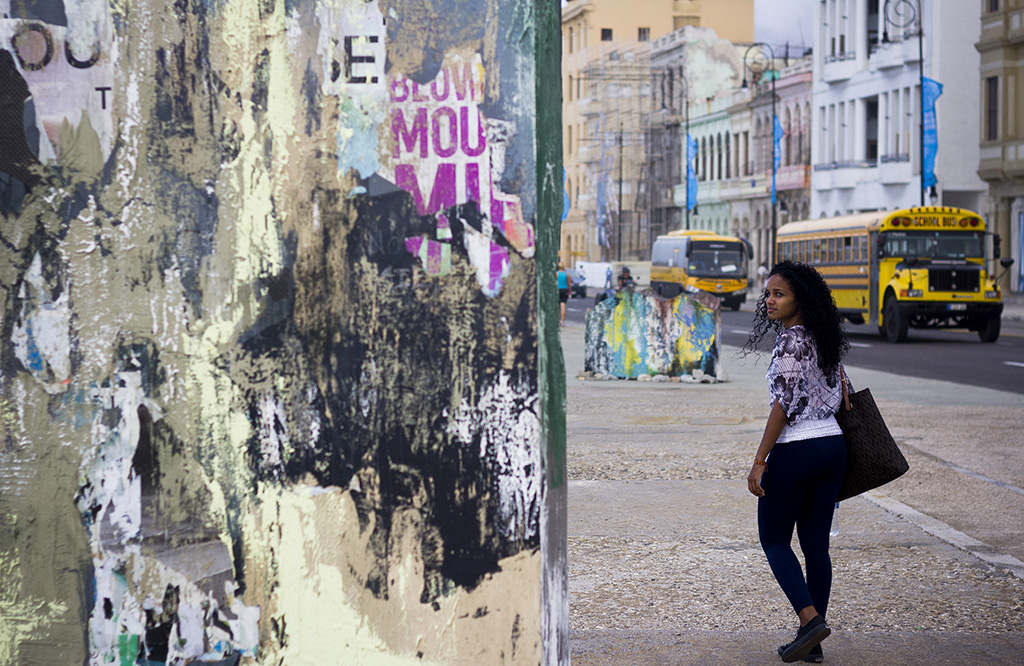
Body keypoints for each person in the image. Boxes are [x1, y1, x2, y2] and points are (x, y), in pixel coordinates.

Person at [741, 260, 851, 664]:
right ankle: (813, 644)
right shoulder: (825, 339)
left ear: (798, 300)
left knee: (773, 539)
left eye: (778, 294)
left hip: (798, 449)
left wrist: (759, 459)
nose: (768, 300)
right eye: (768, 293)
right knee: (816, 547)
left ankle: (809, 621)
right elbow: (845, 392)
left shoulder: (791, 342)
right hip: (832, 448)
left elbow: (782, 406)